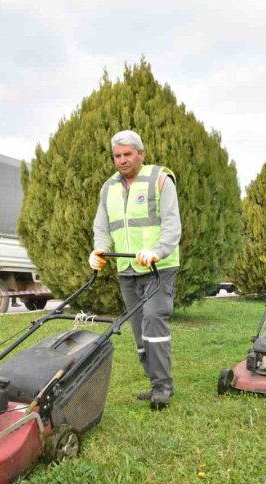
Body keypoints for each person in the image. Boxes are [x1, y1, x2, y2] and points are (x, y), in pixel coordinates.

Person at [89, 130, 181, 410]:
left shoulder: (160, 180)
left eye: (128, 154)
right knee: (139, 329)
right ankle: (155, 383)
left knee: (154, 320)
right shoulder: (109, 188)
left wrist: (157, 250)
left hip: (159, 267)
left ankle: (164, 386)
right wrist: (99, 250)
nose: (122, 160)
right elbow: (102, 227)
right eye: (117, 155)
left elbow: (172, 224)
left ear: (141, 153)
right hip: (127, 269)